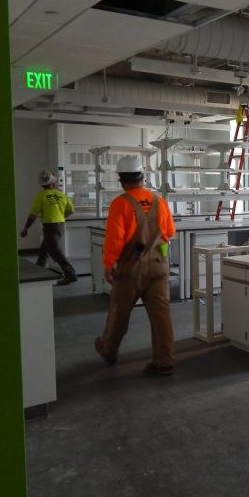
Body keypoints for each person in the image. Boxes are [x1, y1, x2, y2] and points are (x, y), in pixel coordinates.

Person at [94, 156, 177, 376]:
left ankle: (108, 350)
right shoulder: (159, 201)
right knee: (161, 315)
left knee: (119, 313)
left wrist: (108, 264)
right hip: (159, 267)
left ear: (121, 180)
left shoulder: (120, 204)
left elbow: (115, 239)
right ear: (142, 177)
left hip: (131, 270)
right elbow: (169, 232)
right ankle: (164, 361)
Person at [20, 170, 78, 286]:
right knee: (44, 249)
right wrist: (62, 217)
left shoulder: (40, 196)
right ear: (53, 182)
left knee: (55, 252)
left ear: (41, 184)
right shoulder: (61, 195)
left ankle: (71, 275)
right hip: (60, 226)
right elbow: (71, 210)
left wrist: (26, 228)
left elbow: (33, 215)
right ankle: (39, 269)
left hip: (50, 227)